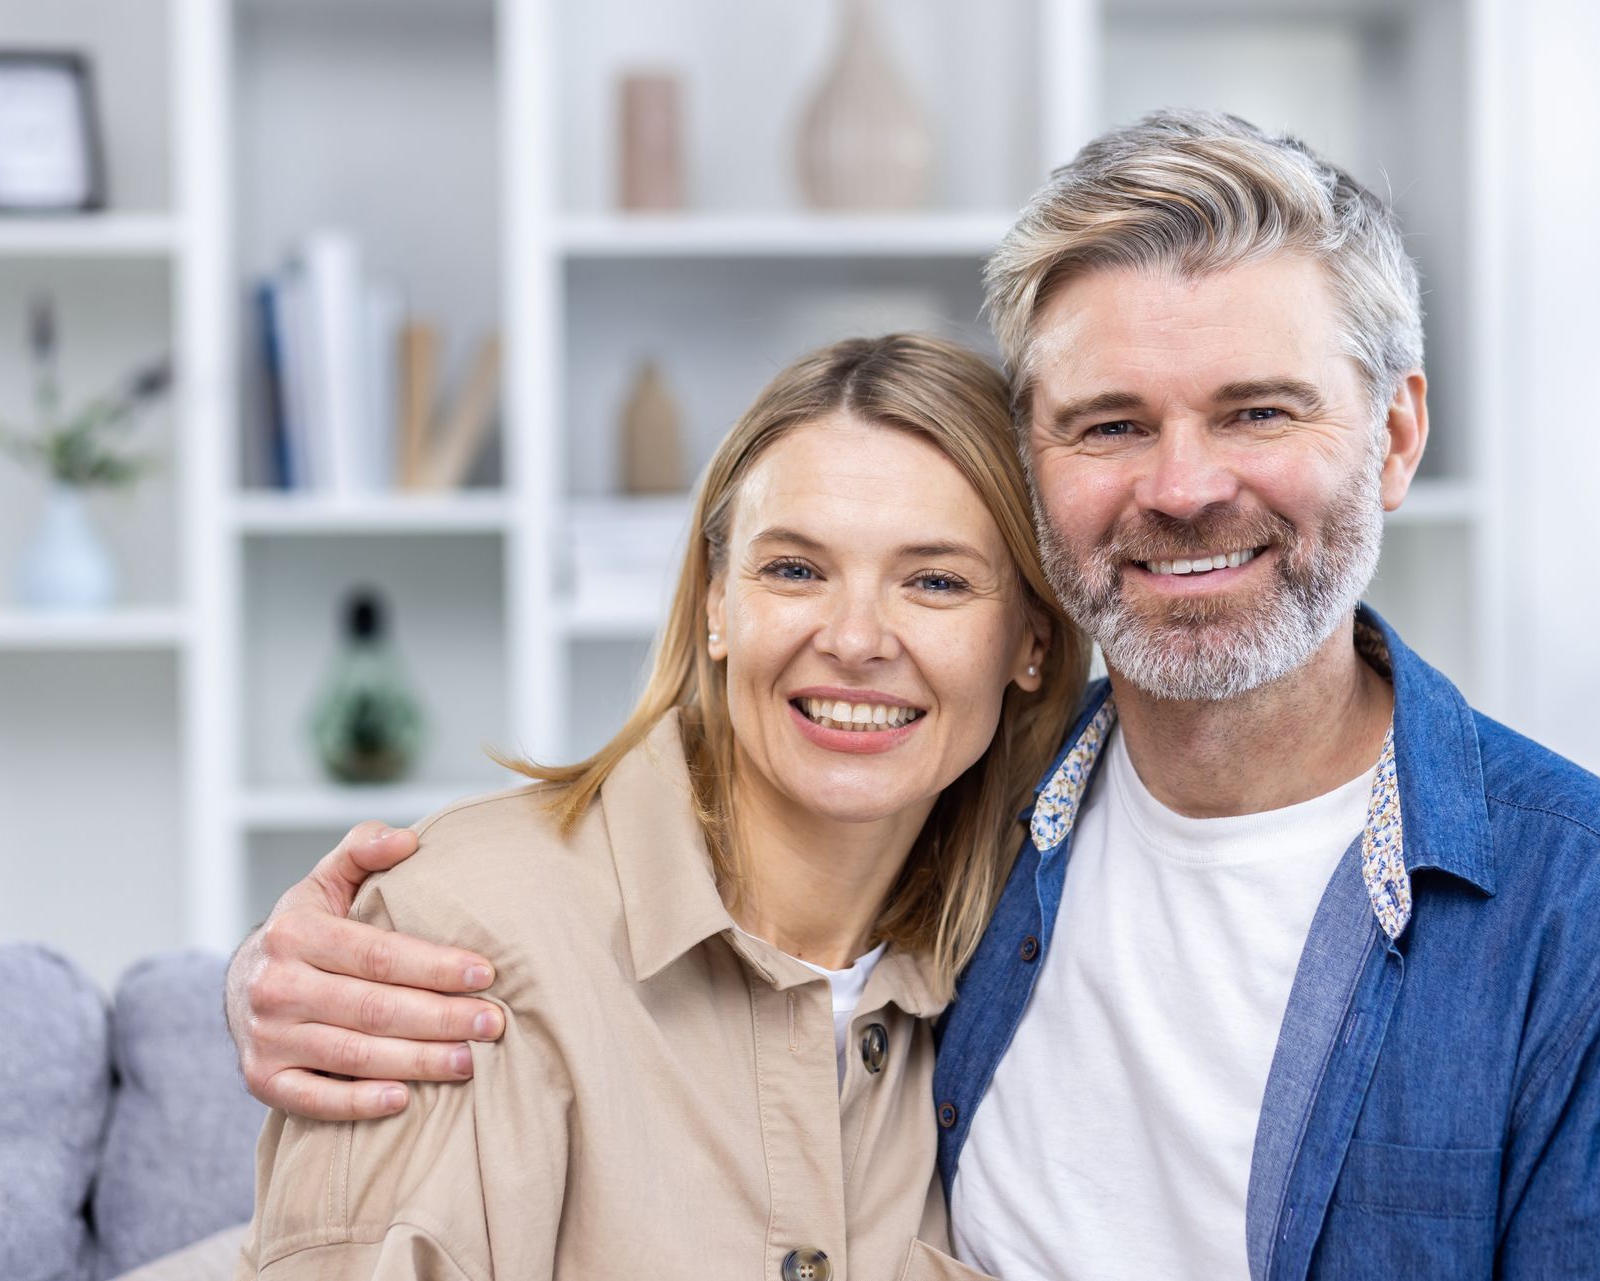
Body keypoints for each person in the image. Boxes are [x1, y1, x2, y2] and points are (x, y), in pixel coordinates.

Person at [228, 112, 1600, 1277]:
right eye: (1110, 423)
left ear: (1393, 433)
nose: (1182, 487)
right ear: (1041, 475)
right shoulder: (970, 856)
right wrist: (337, 950)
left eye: (1258, 409)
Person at [236, 333, 1087, 1278]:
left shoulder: (1016, 969)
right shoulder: (461, 941)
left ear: (1032, 644)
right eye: (796, 569)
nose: (854, 639)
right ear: (717, 602)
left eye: (935, 580)